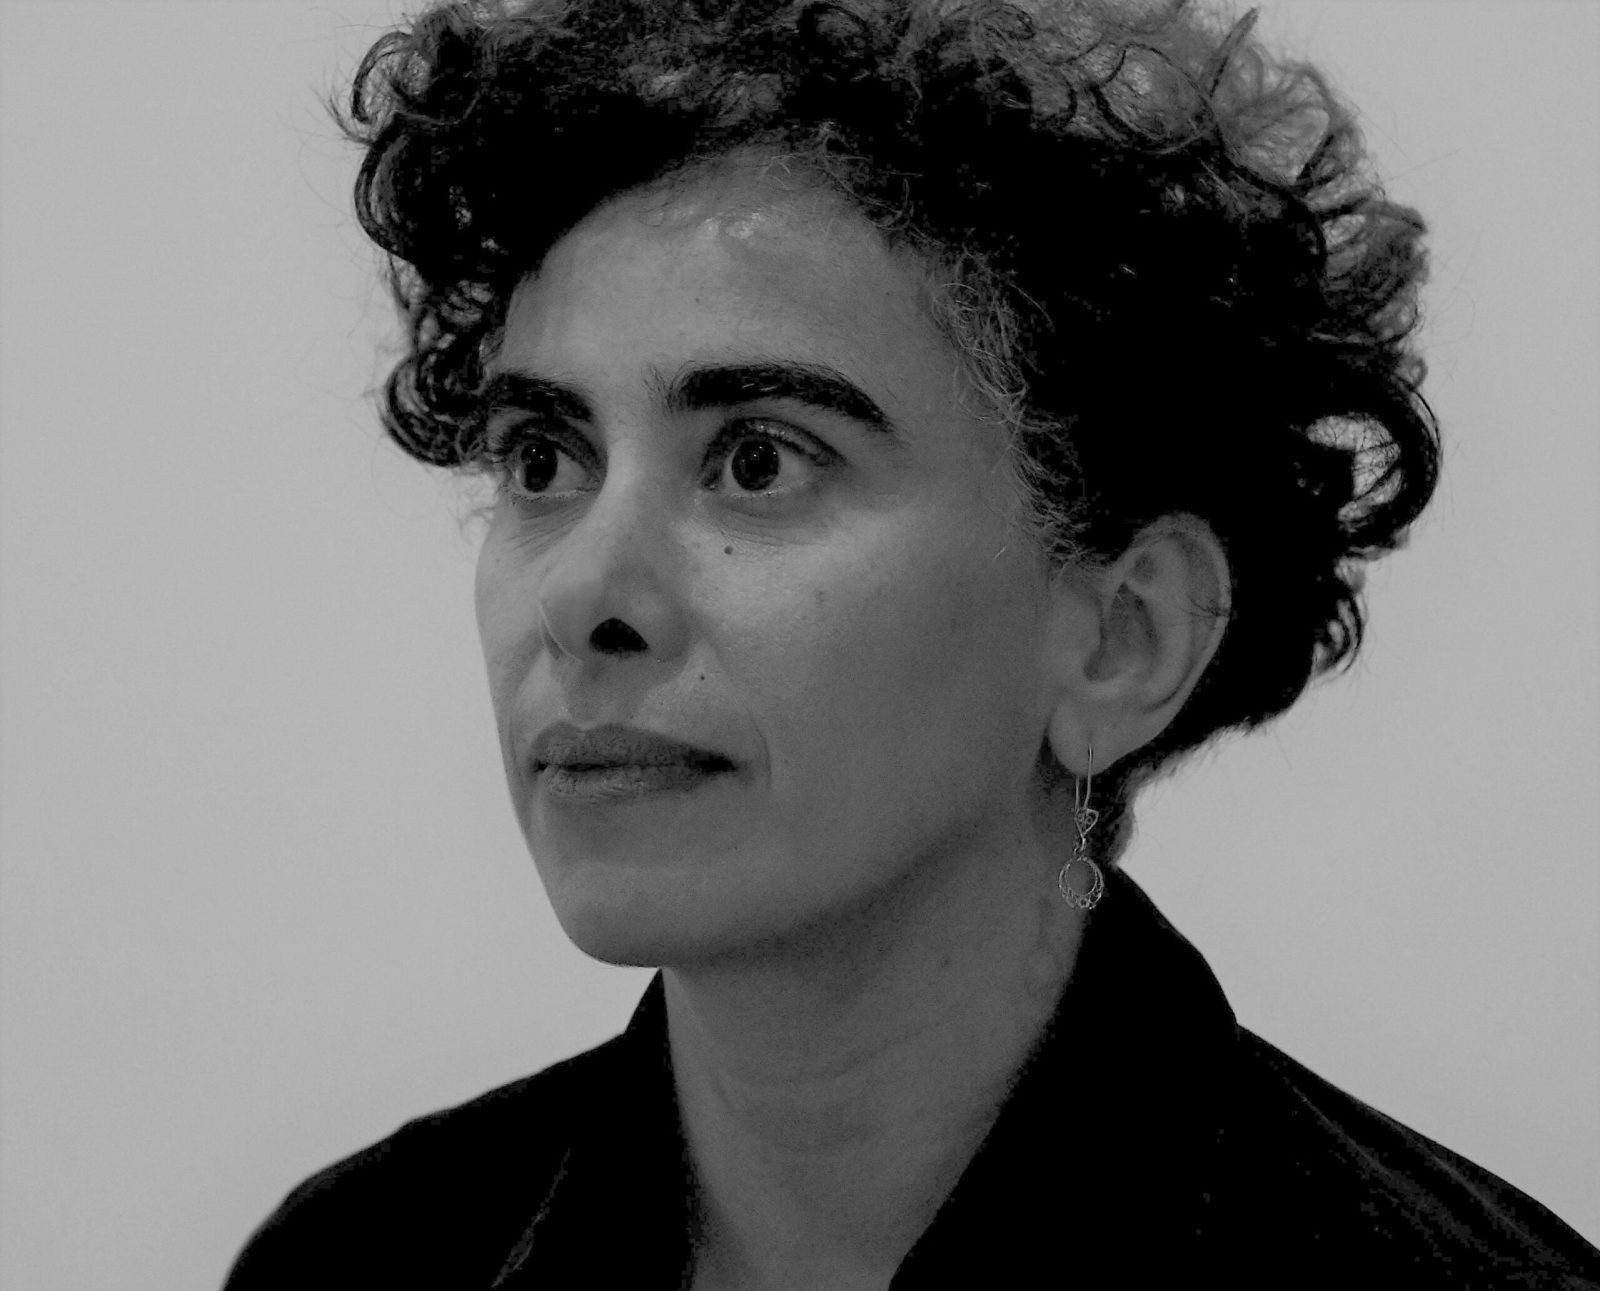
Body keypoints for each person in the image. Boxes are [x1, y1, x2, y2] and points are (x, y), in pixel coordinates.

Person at [224, 0, 1600, 1286]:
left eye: (759, 461)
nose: (584, 592)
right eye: (542, 457)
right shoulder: (358, 1260)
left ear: (1124, 636)